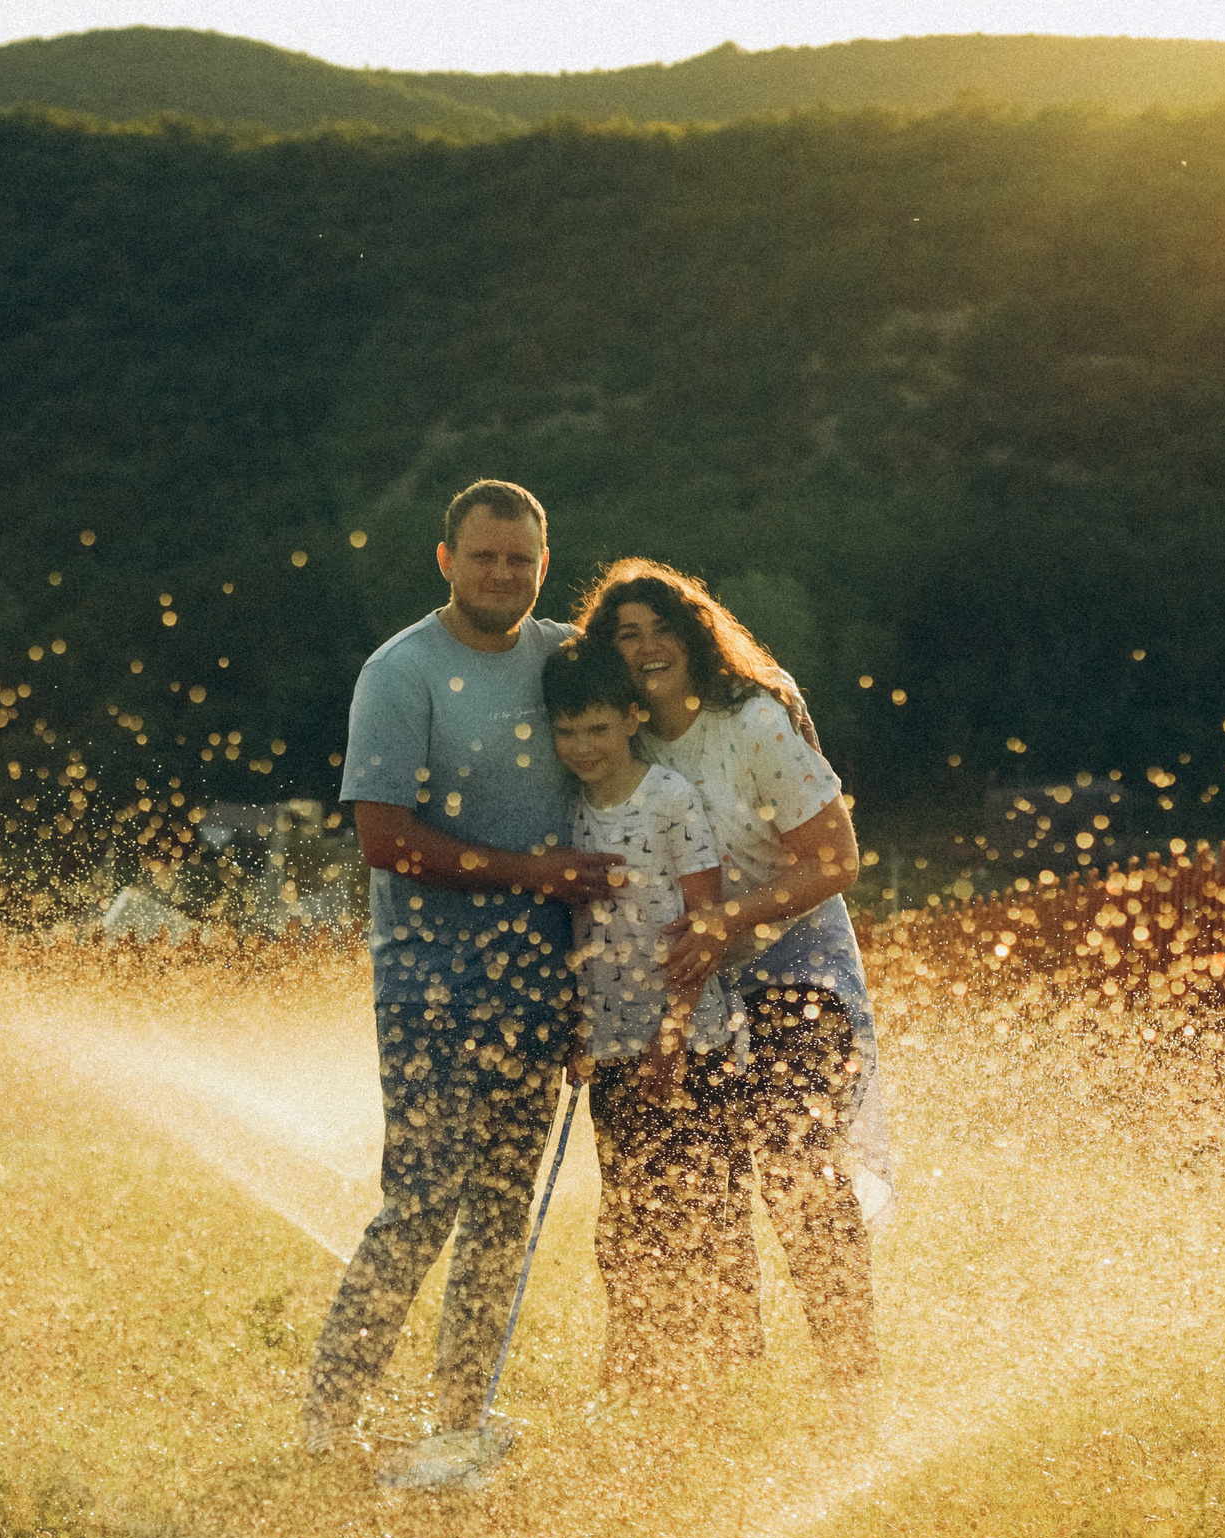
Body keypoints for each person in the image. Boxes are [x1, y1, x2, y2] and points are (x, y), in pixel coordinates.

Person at [302, 479, 622, 1451]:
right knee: (422, 1204)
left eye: (519, 559)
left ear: (543, 564)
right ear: (447, 561)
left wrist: (586, 991)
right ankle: (329, 1416)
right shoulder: (401, 674)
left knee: (499, 1216)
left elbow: (600, 816)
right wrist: (538, 876)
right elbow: (384, 839)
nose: (501, 573)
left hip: (540, 992)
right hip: (431, 989)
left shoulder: (572, 661)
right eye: (483, 556)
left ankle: (459, 1416)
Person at [575, 557, 887, 1386]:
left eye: (660, 629)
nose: (645, 648)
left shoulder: (750, 722)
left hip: (795, 958)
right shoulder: (625, 739)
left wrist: (730, 919)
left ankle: (851, 1373)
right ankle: (719, 1375)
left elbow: (838, 860)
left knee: (793, 1154)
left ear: (695, 636)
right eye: (625, 635)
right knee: (693, 1179)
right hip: (695, 981)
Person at [541, 641, 744, 1396]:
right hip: (614, 1045)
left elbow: (703, 923)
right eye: (567, 732)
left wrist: (673, 1040)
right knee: (627, 1215)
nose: (582, 747)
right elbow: (576, 934)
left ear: (631, 717)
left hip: (689, 1043)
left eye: (596, 728)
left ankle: (717, 1372)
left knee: (703, 1208)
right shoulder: (567, 808)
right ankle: (633, 1363)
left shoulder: (669, 798)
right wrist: (577, 1029)